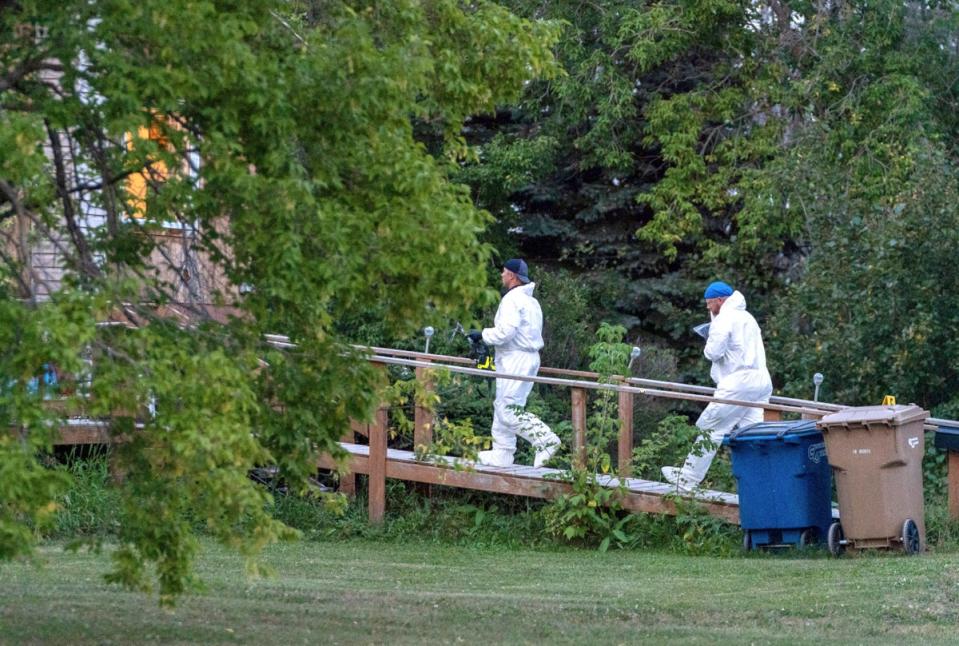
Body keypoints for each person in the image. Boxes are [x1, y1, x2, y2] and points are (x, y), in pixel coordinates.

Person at [661, 281, 772, 490]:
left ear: (720, 301)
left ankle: (688, 478)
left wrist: (711, 333)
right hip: (761, 382)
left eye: (710, 303)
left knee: (711, 426)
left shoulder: (724, 319)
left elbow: (713, 352)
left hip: (739, 383)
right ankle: (761, 482)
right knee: (752, 434)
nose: (708, 308)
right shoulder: (748, 317)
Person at [467, 259, 561, 468]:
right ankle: (502, 453)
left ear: (511, 275)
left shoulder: (512, 300)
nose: (501, 275)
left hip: (516, 358)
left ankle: (545, 439)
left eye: (503, 272)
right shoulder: (531, 301)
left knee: (508, 409)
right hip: (524, 358)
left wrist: (482, 334)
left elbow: (506, 332)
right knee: (504, 405)